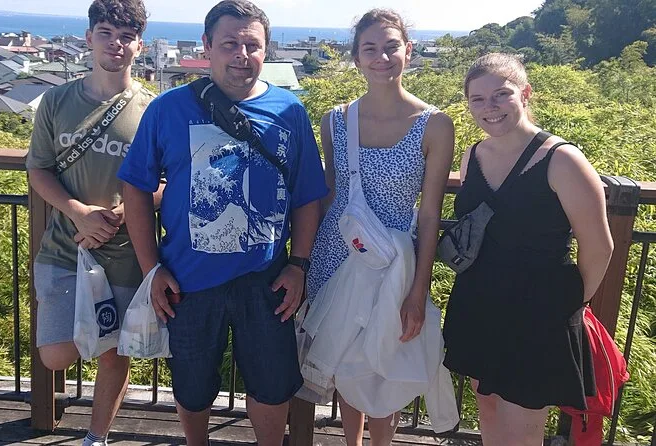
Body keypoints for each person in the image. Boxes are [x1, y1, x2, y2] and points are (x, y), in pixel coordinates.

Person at [117, 1, 328, 444]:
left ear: (266, 50)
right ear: (207, 46)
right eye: (230, 43)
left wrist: (299, 265)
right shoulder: (169, 109)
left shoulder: (289, 110)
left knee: (272, 385)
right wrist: (152, 269)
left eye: (252, 45)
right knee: (192, 386)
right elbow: (135, 187)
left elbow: (308, 194)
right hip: (187, 279)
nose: (241, 55)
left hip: (267, 277)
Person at [442, 53, 614, 446]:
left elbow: (599, 245)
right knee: (488, 409)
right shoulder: (473, 155)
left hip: (537, 312)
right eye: (478, 99)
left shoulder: (562, 159)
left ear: (525, 93)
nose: (490, 107)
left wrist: (568, 306)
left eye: (501, 95)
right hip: (479, 301)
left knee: (522, 425)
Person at [304, 9, 455, 446]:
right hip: (337, 257)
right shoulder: (335, 120)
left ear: (409, 50)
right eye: (370, 49)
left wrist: (418, 291)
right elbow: (330, 195)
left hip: (394, 265)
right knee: (345, 363)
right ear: (356, 58)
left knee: (385, 364)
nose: (382, 57)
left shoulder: (435, 125)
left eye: (391, 47)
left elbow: (430, 214)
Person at [25, 1, 156, 445]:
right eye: (106, 33)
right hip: (65, 245)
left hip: (125, 250)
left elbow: (167, 181)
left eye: (126, 37)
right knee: (55, 354)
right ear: (88, 38)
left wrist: (124, 212)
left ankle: (96, 438)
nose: (115, 44)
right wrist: (79, 212)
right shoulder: (57, 101)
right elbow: (39, 168)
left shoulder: (152, 109)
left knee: (114, 353)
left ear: (139, 45)